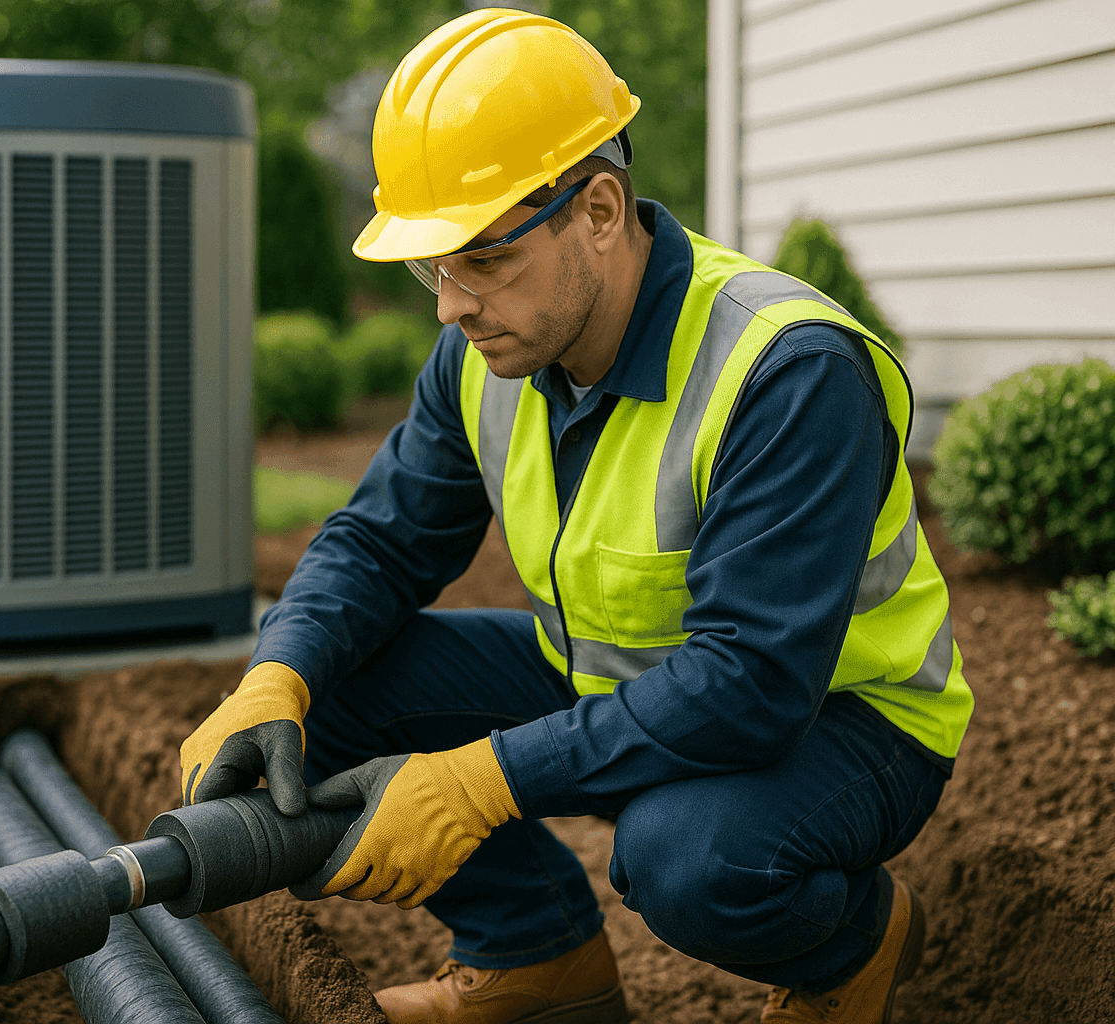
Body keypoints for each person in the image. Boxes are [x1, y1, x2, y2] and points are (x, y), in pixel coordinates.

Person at [180, 9, 973, 1024]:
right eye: (432, 267)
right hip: (617, 675)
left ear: (598, 209)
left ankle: (852, 947)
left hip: (840, 718)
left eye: (480, 257)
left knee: (690, 859)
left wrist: (479, 782)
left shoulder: (786, 369)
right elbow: (379, 541)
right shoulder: (487, 354)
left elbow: (752, 684)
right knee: (322, 696)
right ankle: (537, 956)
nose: (449, 306)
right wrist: (276, 675)